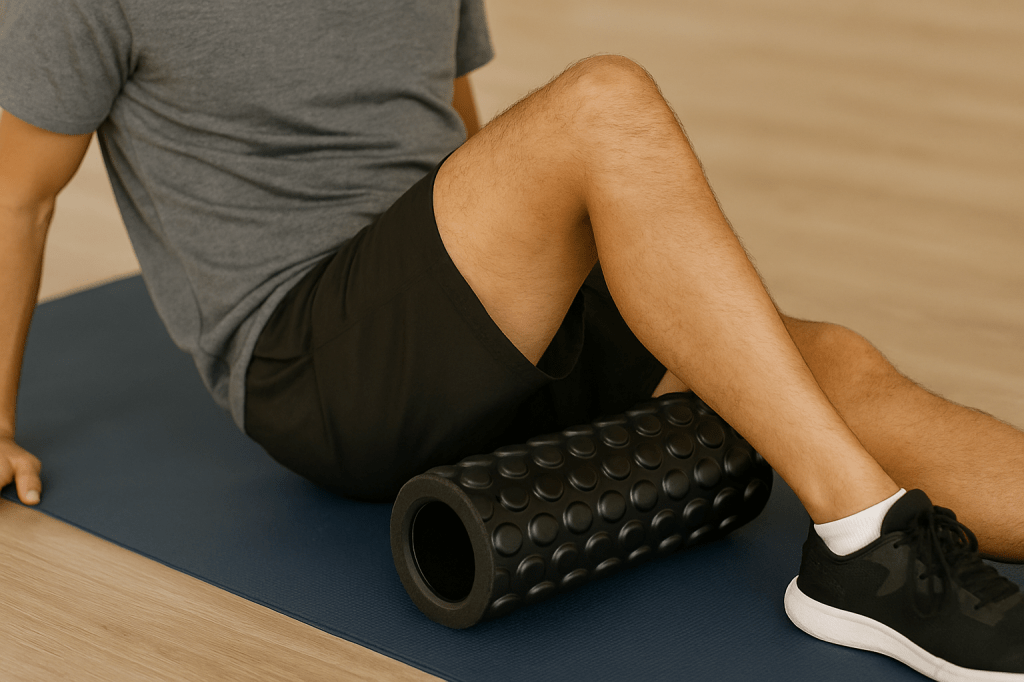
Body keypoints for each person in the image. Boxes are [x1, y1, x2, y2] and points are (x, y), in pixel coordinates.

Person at [1, 1, 1022, 679]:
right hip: (316, 363)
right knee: (602, 103)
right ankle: (866, 553)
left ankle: (877, 524)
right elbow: (16, 198)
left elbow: (464, 138)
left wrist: (556, 282)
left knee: (831, 364)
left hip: (466, 309)